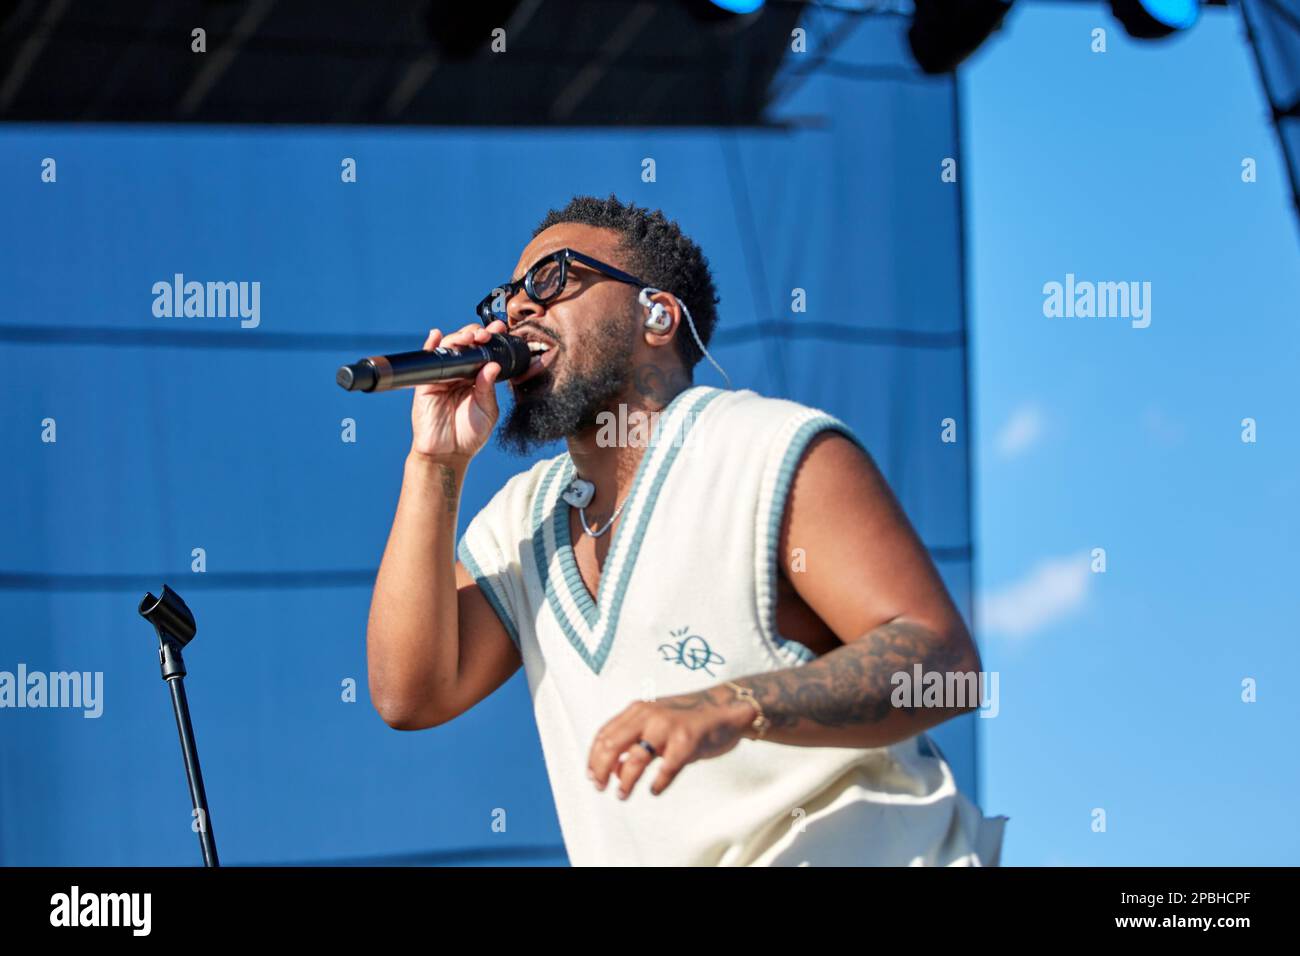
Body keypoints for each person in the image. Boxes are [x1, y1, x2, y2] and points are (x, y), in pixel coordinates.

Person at [366, 194, 1007, 866]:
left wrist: (731, 705)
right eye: (507, 298)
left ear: (657, 314)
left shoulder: (764, 448)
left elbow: (945, 665)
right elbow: (411, 694)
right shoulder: (522, 521)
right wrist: (434, 463)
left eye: (551, 279)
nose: (519, 309)